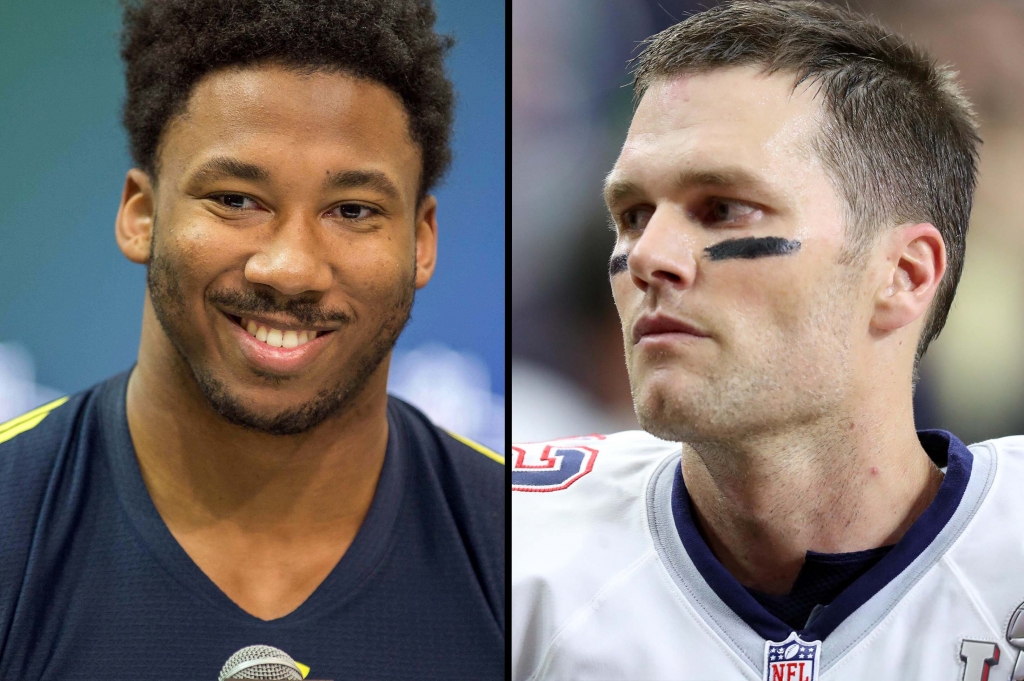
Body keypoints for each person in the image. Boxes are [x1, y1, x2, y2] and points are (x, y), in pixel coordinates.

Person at [511, 2, 1024, 679]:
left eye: (722, 208)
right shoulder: (510, 551)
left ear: (904, 275)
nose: (647, 256)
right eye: (632, 214)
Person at [0, 1, 504, 679]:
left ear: (421, 240)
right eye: (237, 199)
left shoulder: (522, 552)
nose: (291, 267)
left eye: (352, 210)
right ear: (140, 214)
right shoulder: (13, 519)